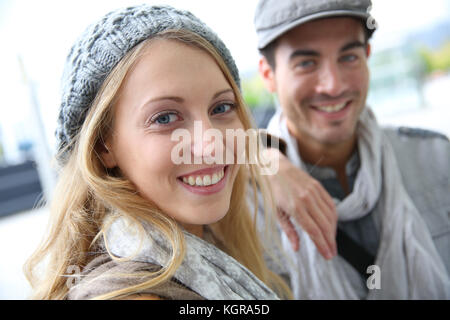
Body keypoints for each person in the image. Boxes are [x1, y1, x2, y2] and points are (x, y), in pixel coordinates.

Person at [24, 4, 291, 300]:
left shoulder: (208, 244)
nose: (212, 145)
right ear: (102, 146)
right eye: (164, 118)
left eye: (221, 108)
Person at [254, 0, 450, 299]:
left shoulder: (436, 158)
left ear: (367, 56)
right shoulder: (243, 203)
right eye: (306, 63)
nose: (333, 85)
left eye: (348, 57)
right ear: (268, 74)